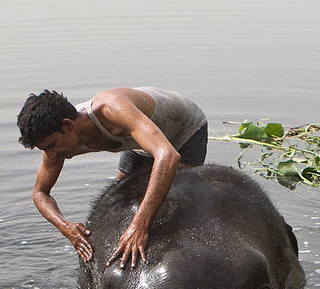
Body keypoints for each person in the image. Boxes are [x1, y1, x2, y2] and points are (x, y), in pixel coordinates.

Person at [17, 87, 208, 268]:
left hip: (183, 130)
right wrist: (65, 227)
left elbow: (167, 155)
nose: (51, 154)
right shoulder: (54, 149)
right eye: (45, 149)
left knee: (177, 202)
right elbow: (40, 192)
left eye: (52, 145)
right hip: (140, 142)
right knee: (120, 199)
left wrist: (139, 225)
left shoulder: (110, 109)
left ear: (68, 125)